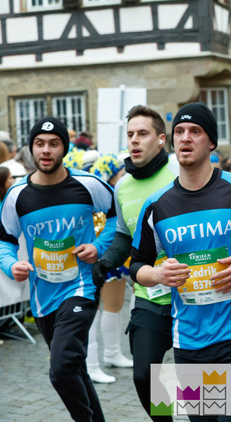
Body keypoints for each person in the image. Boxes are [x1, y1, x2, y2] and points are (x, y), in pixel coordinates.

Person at [129, 103, 231, 422]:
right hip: (188, 341)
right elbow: (137, 266)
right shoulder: (157, 205)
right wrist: (158, 274)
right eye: (179, 131)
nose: (185, 138)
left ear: (212, 142)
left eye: (195, 131)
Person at [0, 117, 116, 421]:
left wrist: (98, 246)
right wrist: (11, 265)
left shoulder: (88, 184)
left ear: (64, 148)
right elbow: (4, 241)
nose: (46, 150)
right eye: (39, 144)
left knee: (61, 367)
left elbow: (116, 218)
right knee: (74, 369)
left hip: (81, 287)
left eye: (54, 143)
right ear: (31, 148)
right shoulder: (17, 195)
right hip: (42, 296)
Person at [90, 105, 177, 420]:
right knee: (144, 376)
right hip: (149, 294)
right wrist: (107, 260)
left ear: (161, 139)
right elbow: (124, 235)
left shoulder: (180, 173)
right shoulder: (122, 186)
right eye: (130, 135)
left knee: (200, 379)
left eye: (143, 133)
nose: (134, 141)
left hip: (190, 296)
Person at [85, 154, 132, 384]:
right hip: (100, 255)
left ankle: (112, 352)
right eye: (120, 172)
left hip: (116, 256)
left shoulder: (116, 193)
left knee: (114, 305)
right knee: (92, 308)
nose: (124, 174)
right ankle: (91, 363)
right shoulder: (102, 199)